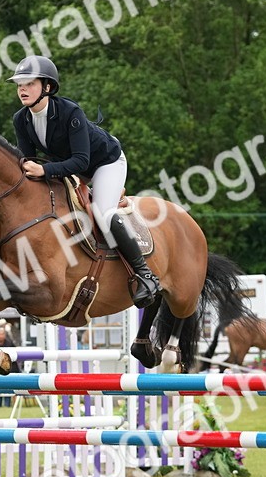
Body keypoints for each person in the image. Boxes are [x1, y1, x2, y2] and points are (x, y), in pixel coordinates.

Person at [9, 55, 160, 308]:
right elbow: (29, 160)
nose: (22, 89)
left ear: (47, 87)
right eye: (19, 85)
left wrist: (45, 172)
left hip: (104, 163)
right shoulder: (20, 119)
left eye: (29, 83)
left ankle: (144, 274)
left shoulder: (70, 112)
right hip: (69, 167)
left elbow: (81, 161)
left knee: (104, 213)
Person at [0, 325, 14, 407]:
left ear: (5, 335)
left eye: (2, 334)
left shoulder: (9, 342)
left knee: (7, 385)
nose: (1, 336)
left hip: (7, 368)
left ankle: (7, 404)